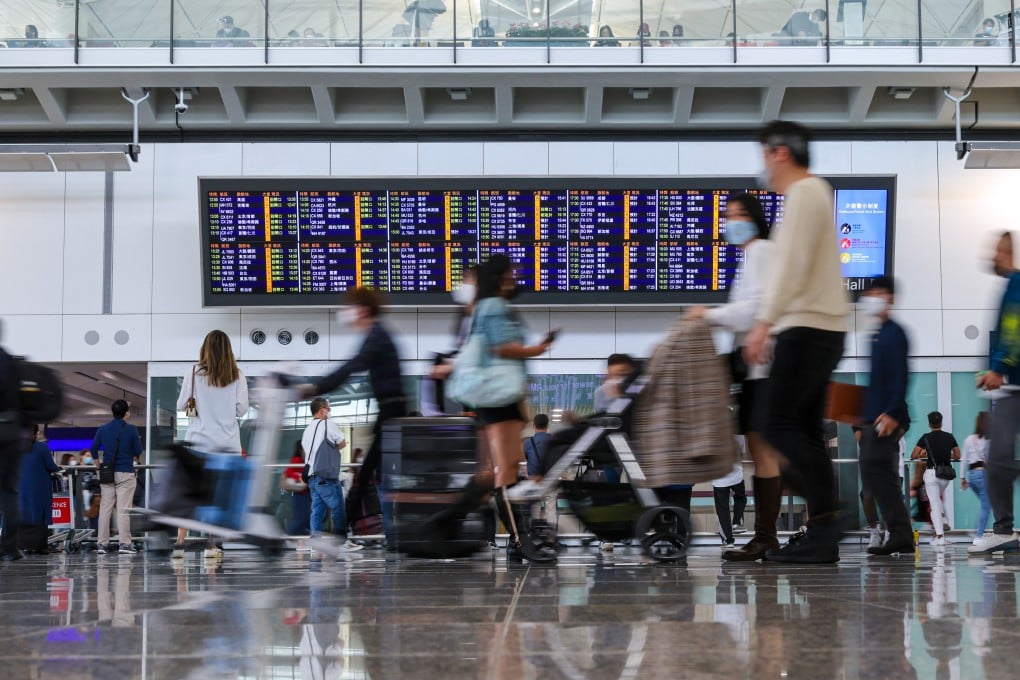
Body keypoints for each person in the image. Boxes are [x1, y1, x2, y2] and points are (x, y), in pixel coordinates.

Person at [744, 119, 849, 564]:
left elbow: (792, 265)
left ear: (780, 152)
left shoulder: (805, 193)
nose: (764, 166)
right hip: (820, 327)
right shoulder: (812, 193)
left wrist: (763, 323)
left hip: (808, 327)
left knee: (776, 425)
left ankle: (832, 515)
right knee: (802, 430)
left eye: (764, 155)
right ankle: (823, 534)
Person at [687, 192, 780, 562]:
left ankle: (768, 537)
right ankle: (766, 536)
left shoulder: (760, 251)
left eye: (740, 215)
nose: (732, 222)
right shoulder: (751, 255)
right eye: (728, 216)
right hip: (756, 369)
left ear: (755, 219)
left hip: (763, 368)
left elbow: (751, 311)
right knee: (763, 451)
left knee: (765, 452)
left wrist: (706, 315)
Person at [301, 287, 408, 539]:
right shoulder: (377, 333)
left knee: (369, 474)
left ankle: (341, 534)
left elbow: (351, 367)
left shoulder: (377, 335)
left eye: (352, 307)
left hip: (392, 413)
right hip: (390, 411)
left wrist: (316, 388)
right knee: (371, 473)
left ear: (363, 309)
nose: (348, 313)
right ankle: (342, 534)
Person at [470, 255, 556, 562]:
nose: (514, 277)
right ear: (498, 277)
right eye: (509, 273)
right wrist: (537, 349)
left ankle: (520, 538)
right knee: (505, 473)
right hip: (500, 397)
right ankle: (520, 540)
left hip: (500, 396)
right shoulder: (493, 306)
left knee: (507, 471)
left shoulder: (486, 306)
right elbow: (501, 347)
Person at [172, 329, 249, 560]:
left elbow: (180, 405)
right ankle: (212, 545)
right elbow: (242, 409)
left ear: (204, 348)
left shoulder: (193, 372)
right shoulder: (237, 375)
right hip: (227, 446)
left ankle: (179, 544)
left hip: (199, 444)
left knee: (191, 496)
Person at [853, 276, 915, 556]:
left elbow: (900, 376)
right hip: (872, 417)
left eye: (876, 293)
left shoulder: (894, 333)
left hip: (883, 419)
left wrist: (892, 412)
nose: (871, 298)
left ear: (890, 297)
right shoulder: (877, 333)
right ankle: (900, 533)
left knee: (879, 474)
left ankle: (900, 533)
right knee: (879, 476)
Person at [971, 232, 1020, 554]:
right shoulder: (1010, 285)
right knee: (1000, 460)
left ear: (1008, 253)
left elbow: (1013, 329)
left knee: (999, 461)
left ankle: (1003, 530)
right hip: (1010, 387)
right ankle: (1003, 530)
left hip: (1013, 388)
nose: (993, 257)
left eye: (997, 251)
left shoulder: (1015, 284)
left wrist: (999, 368)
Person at [302, 398, 360, 551]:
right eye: (329, 408)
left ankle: (315, 540)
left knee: (317, 511)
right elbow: (342, 442)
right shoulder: (328, 424)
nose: (330, 411)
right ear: (322, 410)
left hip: (312, 476)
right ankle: (341, 542)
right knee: (338, 508)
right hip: (326, 475)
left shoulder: (307, 430)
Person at [91, 399, 142, 555]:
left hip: (107, 473)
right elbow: (138, 451)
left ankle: (102, 544)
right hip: (125, 472)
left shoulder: (103, 429)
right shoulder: (132, 429)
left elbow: (93, 449)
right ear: (127, 413)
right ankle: (125, 544)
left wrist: (97, 464)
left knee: (105, 509)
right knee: (123, 509)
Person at [909, 411, 960, 548]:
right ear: (941, 422)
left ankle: (940, 537)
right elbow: (957, 455)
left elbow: (913, 455)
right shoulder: (949, 437)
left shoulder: (925, 437)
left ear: (929, 424)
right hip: (945, 476)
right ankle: (941, 526)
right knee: (937, 502)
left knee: (934, 505)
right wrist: (946, 455)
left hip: (932, 474)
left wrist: (923, 453)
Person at [17, 425, 60, 554]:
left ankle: (22, 545)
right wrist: (59, 468)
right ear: (37, 433)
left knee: (22, 513)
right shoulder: (41, 447)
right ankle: (40, 546)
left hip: (19, 487)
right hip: (39, 487)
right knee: (39, 514)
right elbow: (51, 466)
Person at [961, 412, 991, 544]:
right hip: (982, 474)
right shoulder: (987, 440)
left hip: (972, 476)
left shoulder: (968, 439)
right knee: (987, 506)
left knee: (986, 505)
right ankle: (978, 536)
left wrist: (962, 478)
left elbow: (964, 459)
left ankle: (976, 531)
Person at [283, 439, 311, 547]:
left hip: (305, 493)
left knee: (305, 517)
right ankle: (288, 536)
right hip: (299, 493)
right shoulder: (296, 459)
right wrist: (299, 477)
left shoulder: (304, 460)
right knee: (301, 518)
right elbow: (288, 472)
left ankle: (305, 537)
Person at [712, 461, 747, 548]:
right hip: (736, 475)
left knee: (722, 510)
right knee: (741, 498)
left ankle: (728, 540)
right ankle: (736, 523)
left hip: (719, 478)